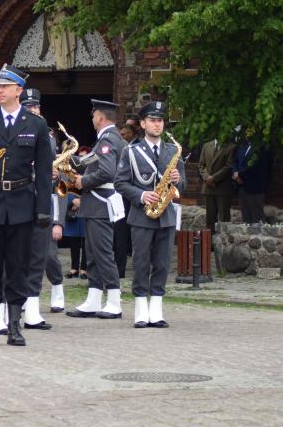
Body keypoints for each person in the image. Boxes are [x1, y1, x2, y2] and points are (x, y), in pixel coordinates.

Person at [0, 65, 53, 347]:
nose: (0, 91)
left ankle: (15, 326)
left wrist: (43, 208)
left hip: (22, 202)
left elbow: (43, 171)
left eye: (5, 87)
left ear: (18, 90)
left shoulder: (36, 124)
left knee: (18, 266)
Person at [115, 101, 186, 328]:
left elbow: (183, 185)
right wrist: (142, 195)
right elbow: (120, 183)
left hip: (166, 216)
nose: (157, 124)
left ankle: (156, 310)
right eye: (153, 120)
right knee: (141, 262)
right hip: (141, 215)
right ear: (143, 124)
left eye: (160, 120)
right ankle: (140, 309)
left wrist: (177, 181)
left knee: (162, 263)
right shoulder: (131, 151)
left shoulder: (173, 150)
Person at [66, 99, 127, 320]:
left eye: (93, 115)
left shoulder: (107, 140)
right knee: (92, 253)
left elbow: (107, 172)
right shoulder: (109, 139)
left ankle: (114, 300)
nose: (92, 119)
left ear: (100, 116)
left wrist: (83, 181)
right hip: (97, 204)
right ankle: (93, 298)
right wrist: (67, 160)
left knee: (102, 252)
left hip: (100, 202)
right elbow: (91, 162)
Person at [19, 88, 65, 329]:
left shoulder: (48, 137)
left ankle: (40, 302)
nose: (33, 110)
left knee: (43, 254)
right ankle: (19, 302)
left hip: (42, 200)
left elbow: (55, 177)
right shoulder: (14, 131)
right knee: (20, 255)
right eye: (28, 107)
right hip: (19, 198)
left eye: (35, 107)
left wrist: (54, 176)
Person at [232, 134, 272, 224]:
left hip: (255, 187)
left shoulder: (263, 148)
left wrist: (239, 175)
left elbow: (256, 166)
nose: (247, 133)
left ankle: (259, 233)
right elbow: (235, 161)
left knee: (257, 218)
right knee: (246, 217)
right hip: (242, 186)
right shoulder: (243, 147)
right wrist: (235, 172)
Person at [198, 137, 235, 231]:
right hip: (208, 187)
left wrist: (214, 178)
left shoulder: (231, 147)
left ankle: (224, 239)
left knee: (224, 218)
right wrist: (206, 177)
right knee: (210, 219)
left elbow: (229, 166)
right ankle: (210, 239)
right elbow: (201, 165)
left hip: (222, 188)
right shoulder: (206, 146)